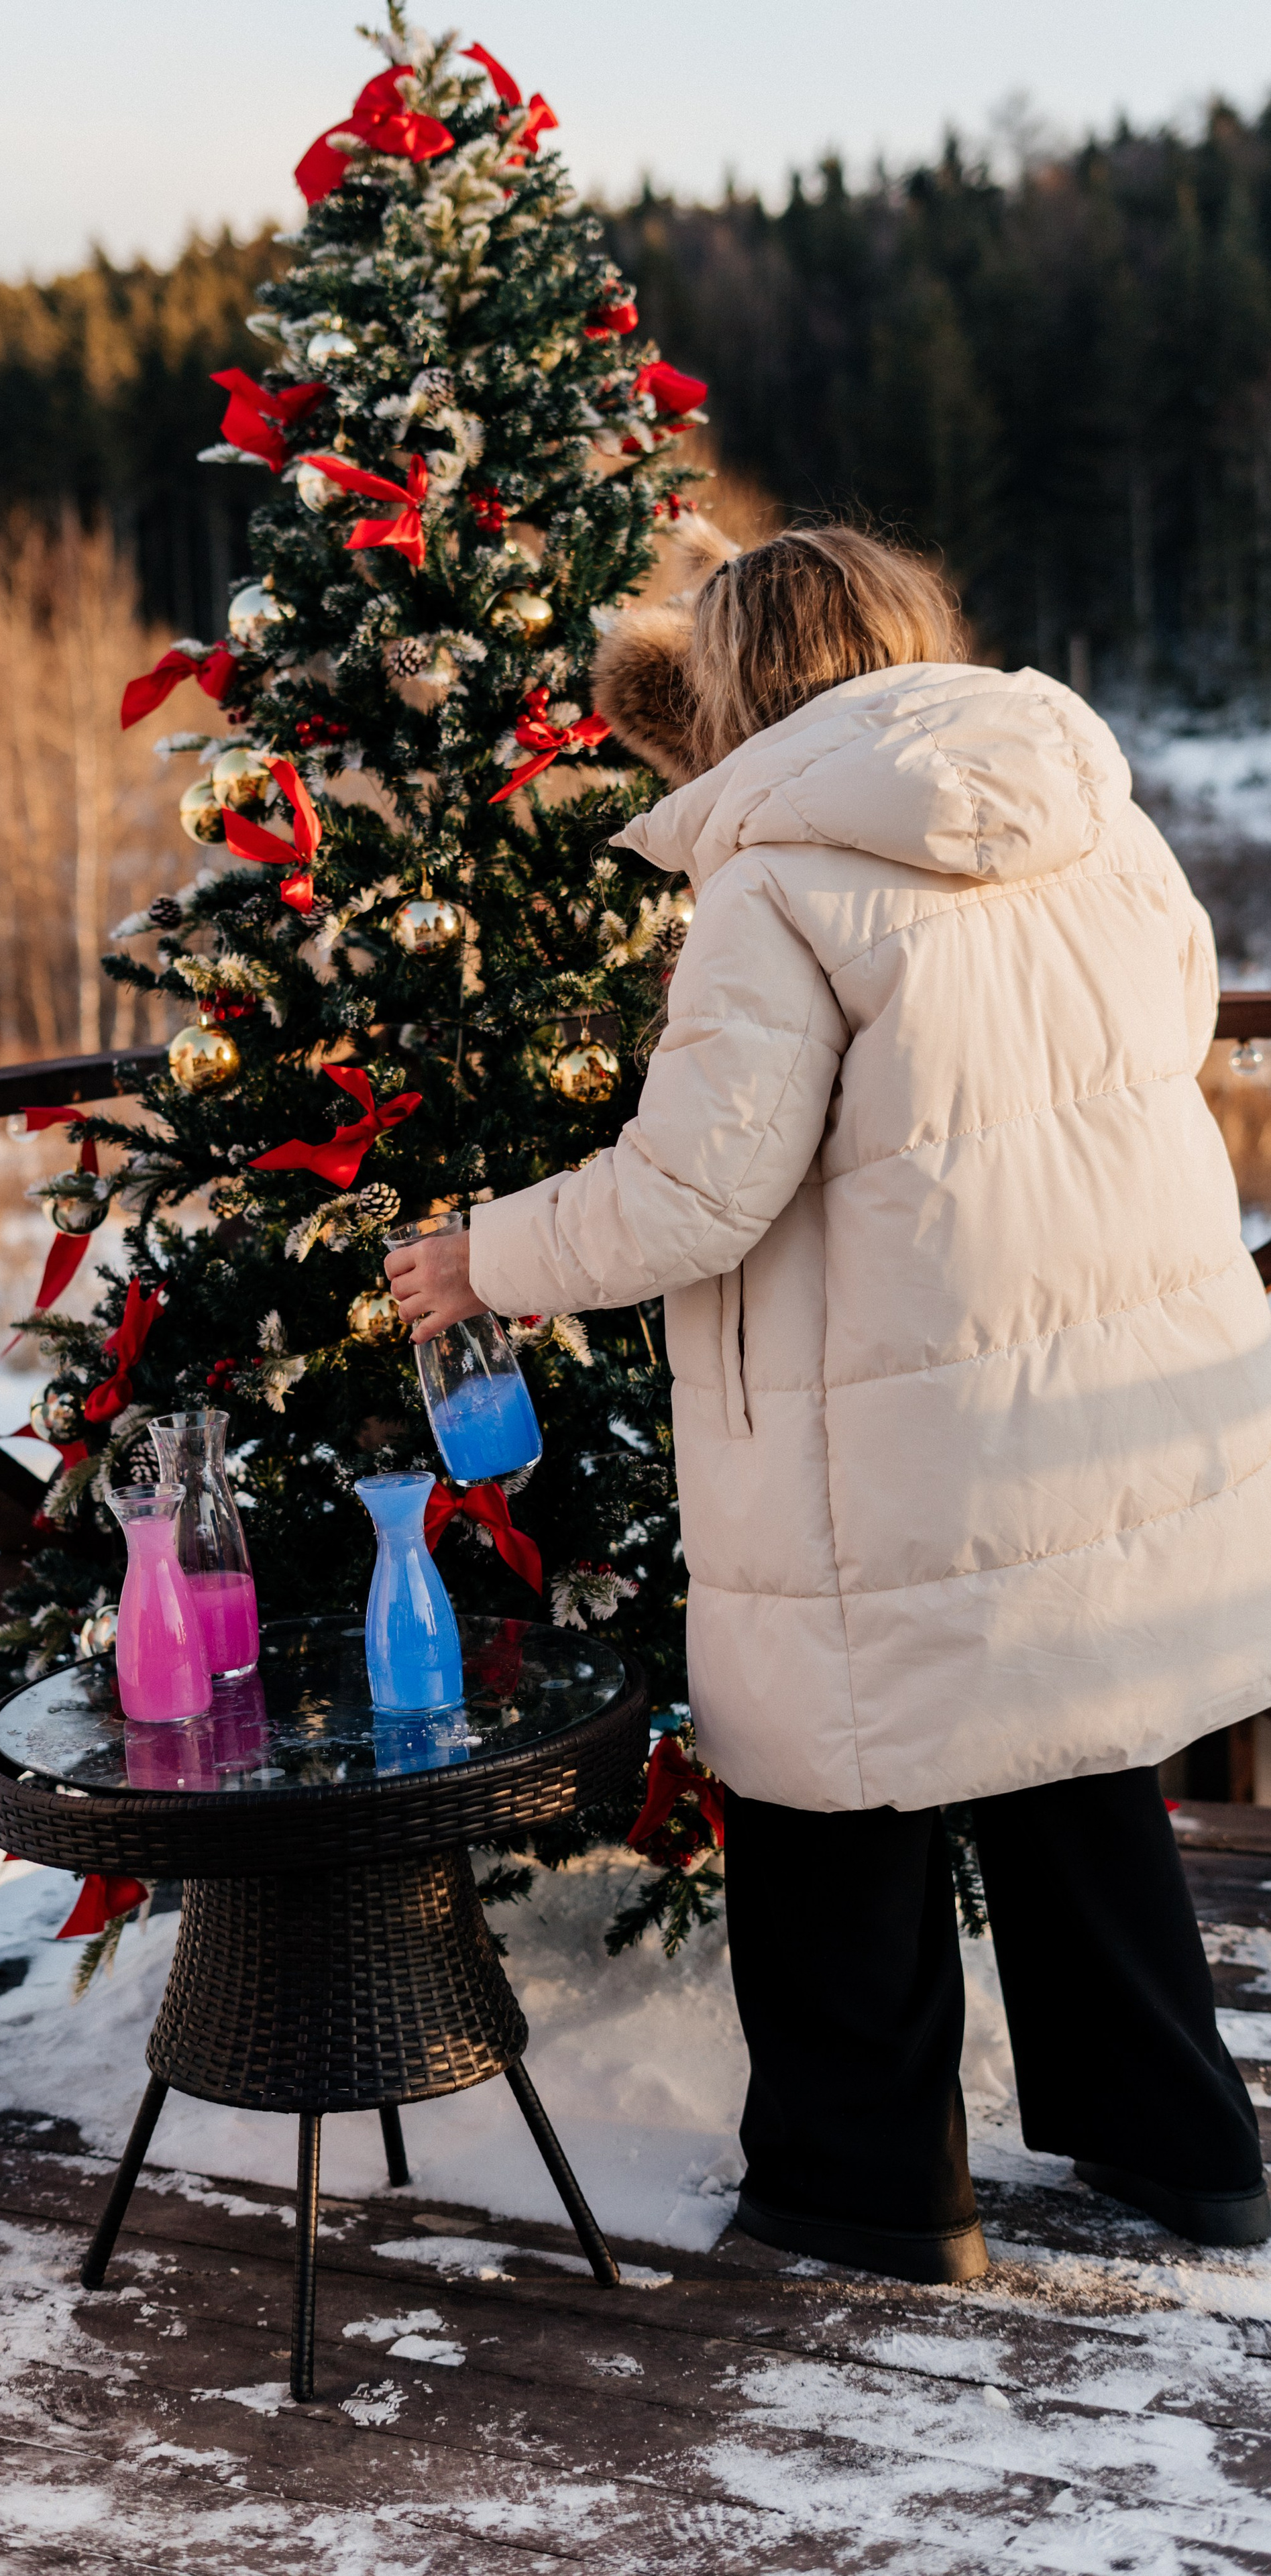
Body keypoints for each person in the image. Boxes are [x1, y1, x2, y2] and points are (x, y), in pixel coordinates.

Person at [384, 525, 1271, 2283]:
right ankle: (1188, 2147)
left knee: (827, 1789)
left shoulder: (778, 878)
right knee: (1070, 1754)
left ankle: (867, 2189)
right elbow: (1175, 1020)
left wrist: (482, 1256)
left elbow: (695, 1191)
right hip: (1088, 1382)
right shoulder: (1079, 800)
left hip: (886, 1417)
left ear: (732, 684)